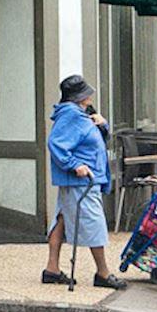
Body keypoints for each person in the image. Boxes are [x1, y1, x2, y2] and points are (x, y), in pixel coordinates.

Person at [42, 75, 124, 289]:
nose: (91, 95)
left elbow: (92, 139)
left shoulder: (80, 114)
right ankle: (103, 273)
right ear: (80, 96)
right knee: (94, 223)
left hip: (83, 180)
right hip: (82, 181)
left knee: (61, 220)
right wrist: (74, 165)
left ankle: (52, 269)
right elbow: (56, 143)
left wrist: (102, 124)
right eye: (87, 93)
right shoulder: (71, 114)